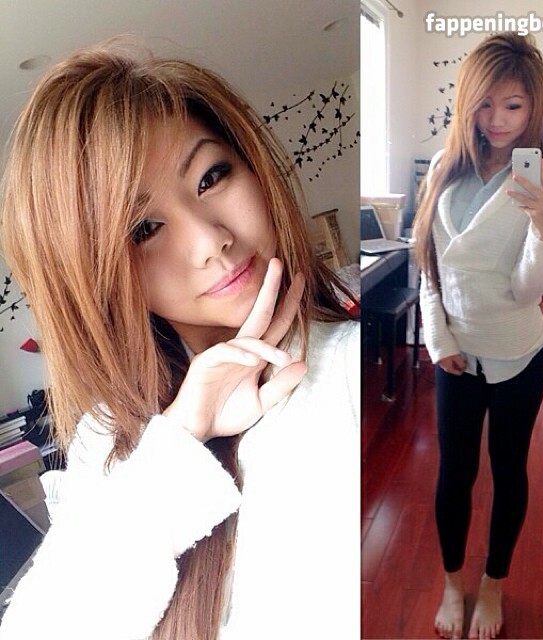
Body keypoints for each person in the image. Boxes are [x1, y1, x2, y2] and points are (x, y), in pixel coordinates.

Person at [0, 38, 359, 640]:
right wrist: (186, 433)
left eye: (211, 176)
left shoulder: (350, 372)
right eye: (144, 228)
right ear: (97, 279)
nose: (209, 241)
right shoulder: (106, 438)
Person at [413, 33, 543, 640]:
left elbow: (528, 291)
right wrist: (438, 341)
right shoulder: (443, 172)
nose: (498, 119)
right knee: (453, 474)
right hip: (455, 355)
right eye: (485, 103)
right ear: (467, 103)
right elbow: (429, 267)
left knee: (509, 472)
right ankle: (453, 583)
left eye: (514, 105)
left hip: (517, 355)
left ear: (534, 107)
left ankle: (494, 585)